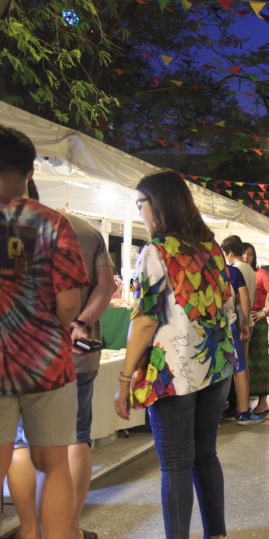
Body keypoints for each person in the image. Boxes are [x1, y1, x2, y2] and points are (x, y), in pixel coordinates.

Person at [114, 169, 236, 539]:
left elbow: (146, 321)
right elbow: (226, 302)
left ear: (159, 204)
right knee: (205, 456)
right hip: (216, 364)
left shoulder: (155, 251)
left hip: (174, 370)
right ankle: (216, 533)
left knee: (175, 466)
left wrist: (124, 378)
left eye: (141, 204)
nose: (139, 212)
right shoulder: (212, 248)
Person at [7, 180, 117, 539]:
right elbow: (92, 292)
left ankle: (27, 530)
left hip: (8, 358)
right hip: (60, 356)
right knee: (68, 446)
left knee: (19, 447)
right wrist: (76, 324)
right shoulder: (67, 227)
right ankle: (69, 530)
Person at [0, 126, 89, 539]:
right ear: (30, 169)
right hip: (46, 361)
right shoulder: (54, 224)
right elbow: (70, 304)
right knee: (53, 464)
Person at [221, 239, 262, 426]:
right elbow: (247, 300)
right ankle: (243, 411)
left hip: (211, 328)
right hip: (232, 324)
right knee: (240, 366)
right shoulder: (238, 271)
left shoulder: (212, 271)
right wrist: (245, 321)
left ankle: (214, 414)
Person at [243, 242, 269, 416]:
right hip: (238, 320)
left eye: (249, 254)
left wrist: (265, 311)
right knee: (243, 363)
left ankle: (263, 402)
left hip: (255, 320)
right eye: (243, 253)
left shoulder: (260, 274)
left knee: (258, 361)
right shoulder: (236, 272)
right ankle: (243, 402)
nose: (246, 257)